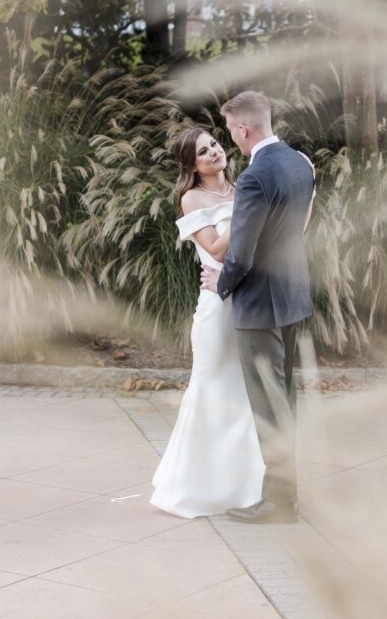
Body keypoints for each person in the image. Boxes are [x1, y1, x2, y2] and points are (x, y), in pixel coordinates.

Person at [200, 91, 315, 525]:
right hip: (293, 299)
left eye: (230, 131)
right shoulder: (299, 163)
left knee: (269, 407)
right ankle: (288, 495)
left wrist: (219, 284)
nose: (230, 139)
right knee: (284, 401)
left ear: (243, 130)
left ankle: (280, 503)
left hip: (261, 305)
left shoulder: (253, 177)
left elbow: (242, 255)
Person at [149, 126, 264, 518]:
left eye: (214, 144)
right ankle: (193, 487)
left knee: (243, 393)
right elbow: (214, 246)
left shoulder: (238, 188)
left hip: (248, 300)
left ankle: (240, 486)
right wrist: (251, 209)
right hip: (216, 304)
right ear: (192, 165)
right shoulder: (191, 198)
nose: (214, 152)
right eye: (203, 152)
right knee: (211, 385)